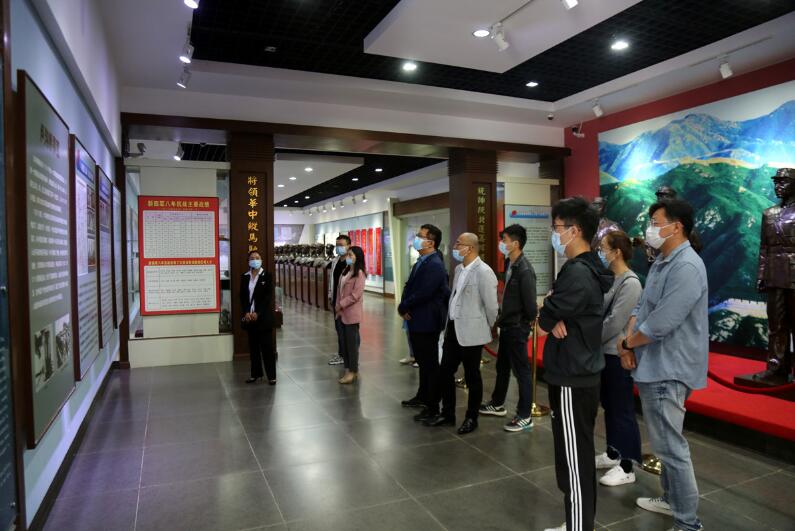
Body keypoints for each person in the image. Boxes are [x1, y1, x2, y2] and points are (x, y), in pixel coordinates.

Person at [618, 199, 708, 531]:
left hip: (668, 367)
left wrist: (628, 343)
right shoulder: (662, 261)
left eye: (656, 223)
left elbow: (662, 323)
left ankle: (688, 522)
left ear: (676, 226)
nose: (650, 229)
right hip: (652, 361)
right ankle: (671, 500)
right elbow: (642, 306)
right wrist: (628, 340)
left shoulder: (687, 266)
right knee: (666, 443)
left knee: (671, 447)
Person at [540, 197, 613, 531]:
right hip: (572, 370)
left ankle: (579, 526)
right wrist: (551, 311)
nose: (554, 234)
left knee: (575, 458)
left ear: (575, 230)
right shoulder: (582, 268)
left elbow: (547, 313)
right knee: (572, 452)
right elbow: (551, 310)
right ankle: (576, 522)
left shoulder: (579, 272)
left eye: (557, 227)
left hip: (573, 374)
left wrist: (549, 311)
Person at [424, 233, 498, 434]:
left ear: (470, 248)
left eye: (459, 243)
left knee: (472, 375)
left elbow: (492, 306)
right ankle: (447, 414)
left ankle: (471, 418)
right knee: (445, 371)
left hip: (472, 332)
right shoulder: (458, 269)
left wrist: (486, 326)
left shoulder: (484, 271)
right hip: (453, 328)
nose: (455, 247)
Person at [479, 224, 538, 433]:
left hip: (516, 326)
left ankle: (524, 415)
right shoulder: (510, 263)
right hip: (506, 324)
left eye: (504, 240)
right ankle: (497, 403)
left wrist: (525, 323)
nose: (501, 244)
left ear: (515, 243)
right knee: (502, 366)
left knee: (521, 372)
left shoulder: (525, 269)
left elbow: (530, 304)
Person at [595, 230, 643, 487]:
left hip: (617, 354)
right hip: (604, 352)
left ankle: (627, 465)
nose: (600, 252)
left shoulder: (630, 283)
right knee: (610, 406)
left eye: (603, 247)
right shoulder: (612, 278)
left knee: (622, 408)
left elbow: (615, 322)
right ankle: (613, 452)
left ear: (617, 252)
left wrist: (590, 338)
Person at [398, 225, 451, 423]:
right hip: (417, 318)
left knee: (429, 364)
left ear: (430, 242)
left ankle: (433, 406)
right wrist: (403, 306)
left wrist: (404, 305)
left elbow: (425, 292)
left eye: (420, 236)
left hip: (427, 320)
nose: (416, 239)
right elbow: (410, 287)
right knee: (422, 361)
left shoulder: (435, 264)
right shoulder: (421, 261)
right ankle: (423, 396)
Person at [240, 250, 276, 384]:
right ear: (248, 261)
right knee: (253, 348)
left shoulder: (267, 276)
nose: (255, 260)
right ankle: (255, 374)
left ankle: (271, 376)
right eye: (252, 258)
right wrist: (246, 312)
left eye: (257, 257)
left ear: (261, 260)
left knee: (267, 348)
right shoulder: (245, 276)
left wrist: (258, 313)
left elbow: (268, 297)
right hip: (250, 318)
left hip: (263, 317)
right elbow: (243, 297)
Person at [335, 246, 366, 384]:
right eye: (348, 254)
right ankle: (349, 369)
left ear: (357, 257)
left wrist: (341, 304)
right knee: (344, 344)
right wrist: (337, 306)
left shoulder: (359, 274)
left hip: (351, 314)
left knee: (352, 345)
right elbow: (339, 291)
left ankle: (352, 371)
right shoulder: (346, 271)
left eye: (351, 255)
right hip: (341, 313)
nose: (348, 257)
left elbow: (355, 295)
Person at [328, 234, 351, 366]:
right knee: (339, 328)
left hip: (346, 301)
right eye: (337, 245)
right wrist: (330, 295)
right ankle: (342, 354)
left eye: (341, 245)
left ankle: (348, 355)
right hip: (336, 300)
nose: (338, 248)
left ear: (348, 246)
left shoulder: (350, 261)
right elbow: (332, 279)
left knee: (348, 330)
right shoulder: (335, 261)